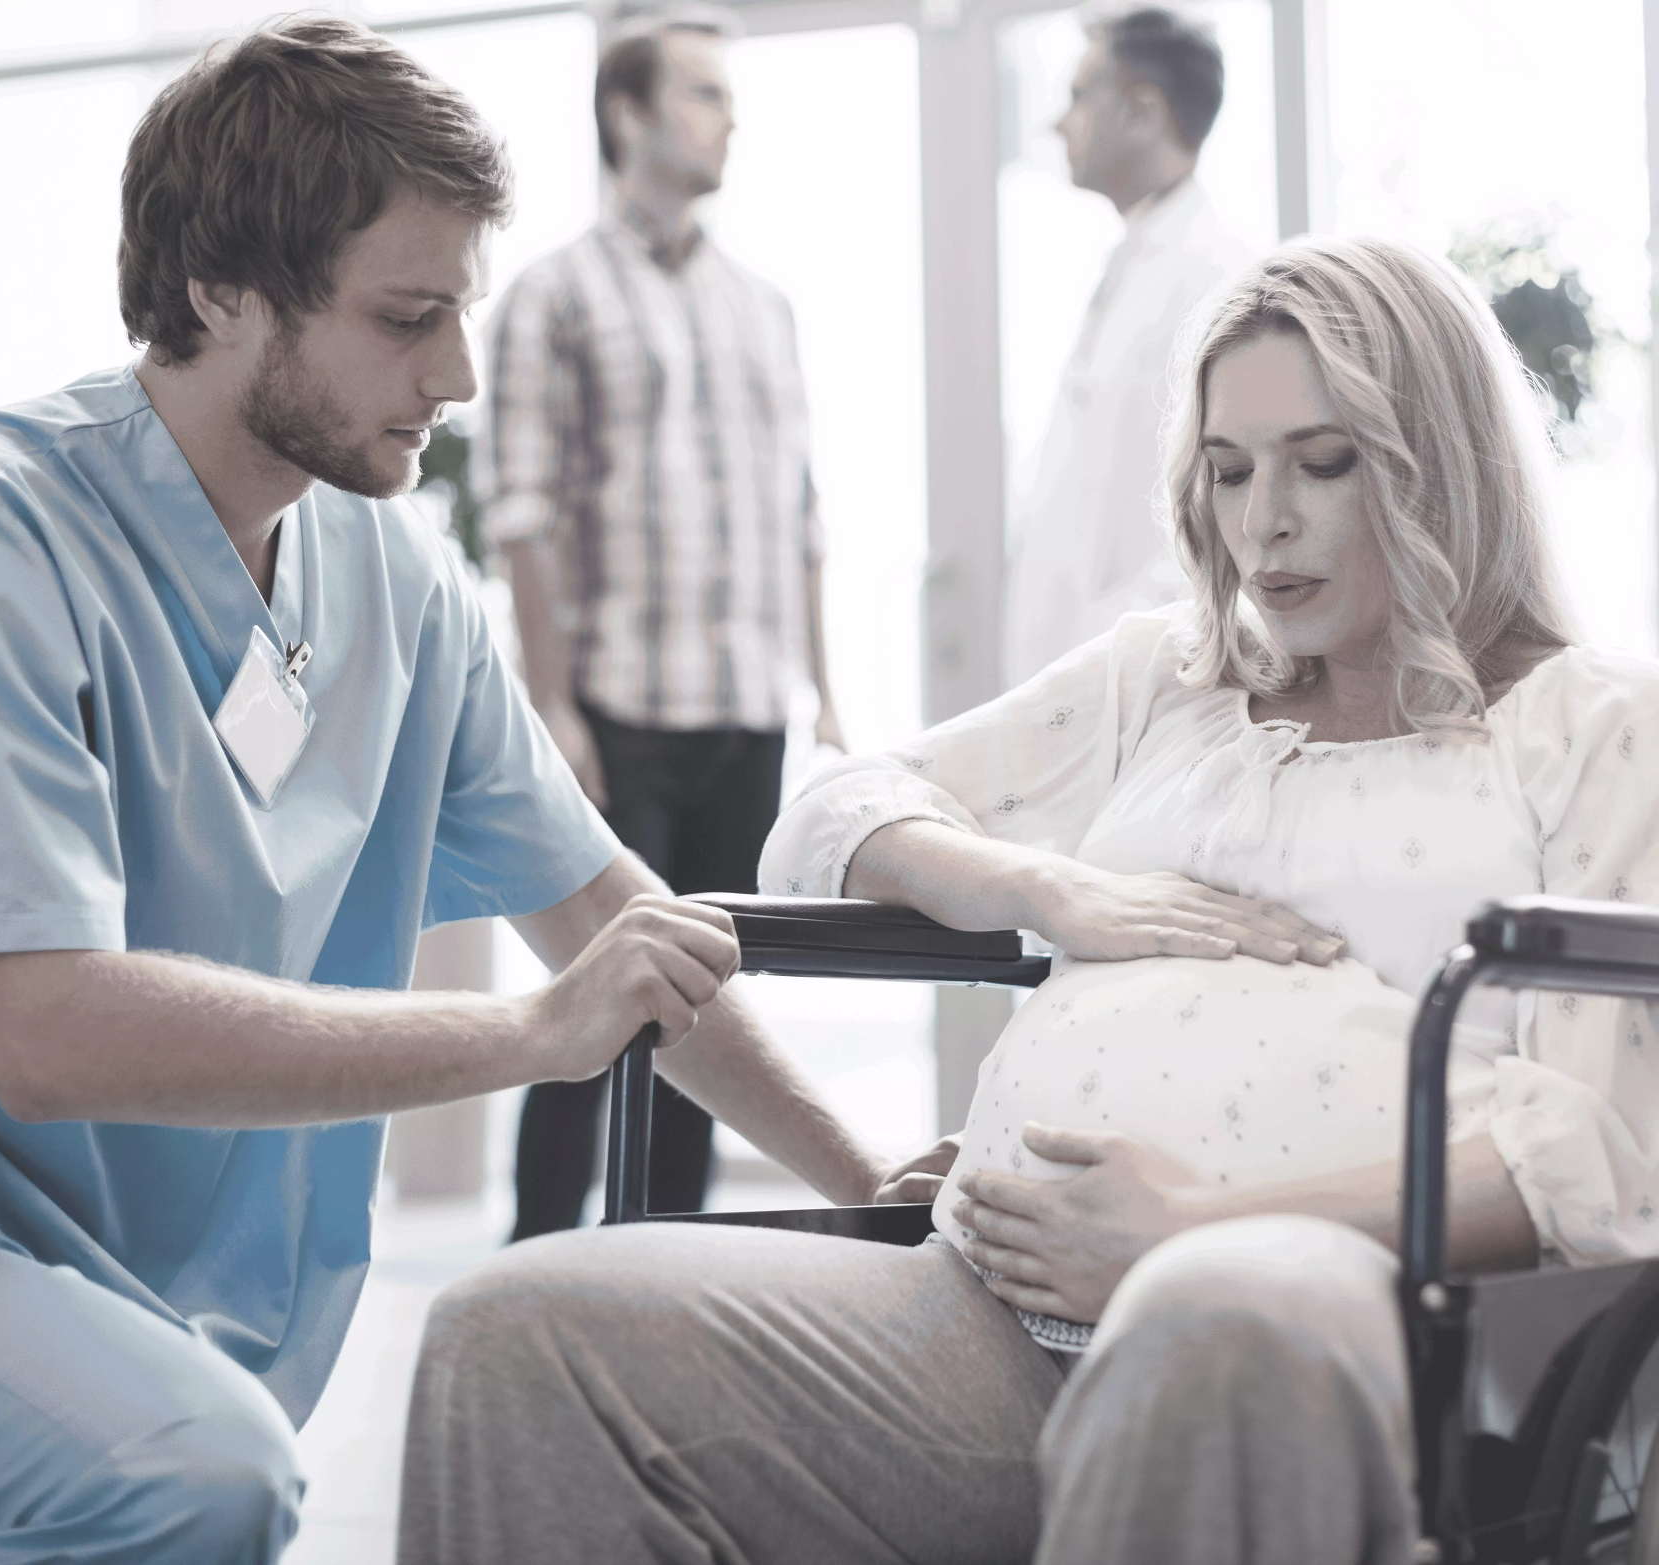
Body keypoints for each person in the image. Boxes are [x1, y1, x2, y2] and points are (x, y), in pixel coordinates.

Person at [0, 22, 919, 1564]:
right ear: (225, 289)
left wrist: (872, 1183)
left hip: (140, 1294)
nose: (461, 375)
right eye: (408, 317)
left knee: (201, 1459)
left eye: (462, 313)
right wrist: (528, 1036)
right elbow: (39, 1026)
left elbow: (607, 911)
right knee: (189, 1477)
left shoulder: (401, 580)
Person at [401, 236, 1659, 1565]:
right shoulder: (1166, 682)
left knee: (1210, 1321)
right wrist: (1044, 887)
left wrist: (1190, 1231)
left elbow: (1594, 1150)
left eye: (1323, 463)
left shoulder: (1591, 729)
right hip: (988, 1307)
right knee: (515, 1333)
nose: (1263, 521)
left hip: (1331, 1310)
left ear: (1440, 463)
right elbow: (834, 806)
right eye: (1228, 471)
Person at [480, 10, 845, 1238]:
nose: (725, 114)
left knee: (706, 1017)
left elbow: (802, 515)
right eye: (699, 93)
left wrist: (826, 691)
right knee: (589, 1015)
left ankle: (669, 1281)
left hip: (747, 711)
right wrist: (555, 706)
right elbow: (520, 511)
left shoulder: (767, 305)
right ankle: (531, 1269)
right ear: (627, 114)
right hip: (620, 714)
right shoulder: (551, 295)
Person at [1005, 6, 1253, 686]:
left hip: (1133, 685)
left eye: (1081, 95)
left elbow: (1215, 511)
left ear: (1144, 113)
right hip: (1077, 683)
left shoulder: (1212, 276)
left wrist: (1120, 654)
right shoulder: (1137, 261)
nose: (1058, 122)